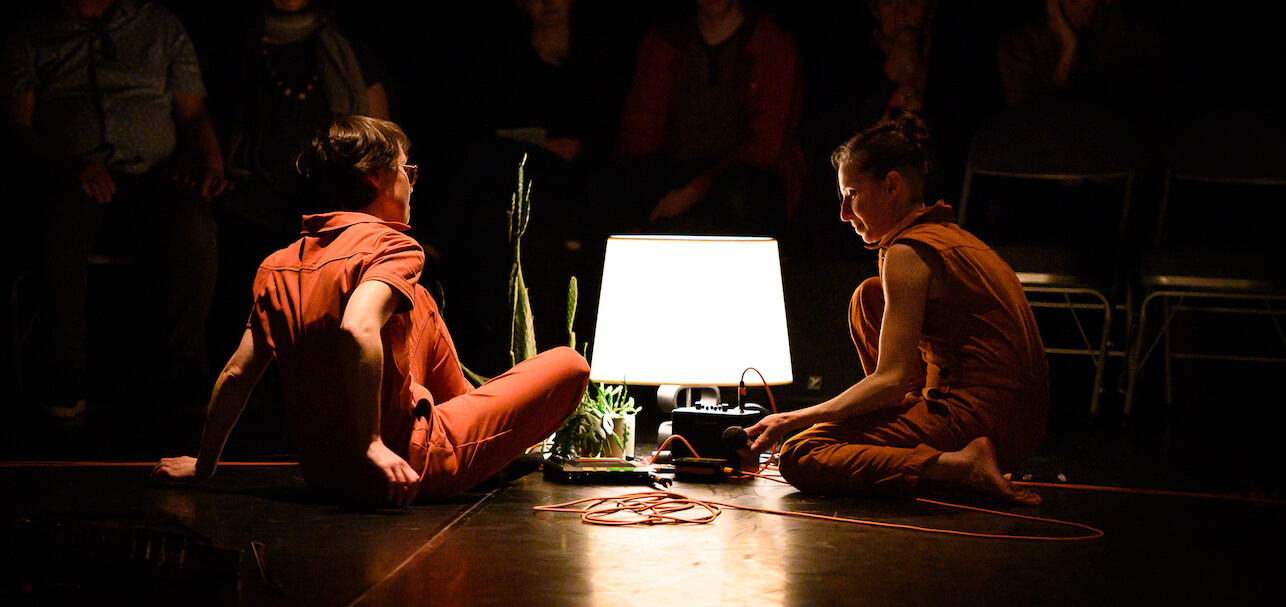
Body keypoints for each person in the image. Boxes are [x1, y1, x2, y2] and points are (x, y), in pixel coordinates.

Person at [152, 116, 590, 505]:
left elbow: (235, 374)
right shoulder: (392, 246)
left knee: (415, 302)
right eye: (406, 171)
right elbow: (357, 328)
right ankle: (480, 451)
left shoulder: (279, 264)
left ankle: (473, 433)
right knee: (570, 365)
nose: (411, 183)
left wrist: (204, 464)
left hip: (325, 477)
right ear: (377, 179)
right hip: (402, 467)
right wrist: (373, 443)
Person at [740, 113, 1048, 505]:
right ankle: (943, 452)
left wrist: (791, 418)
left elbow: (890, 380)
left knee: (803, 452)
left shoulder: (907, 252)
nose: (844, 213)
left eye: (851, 195)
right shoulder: (951, 238)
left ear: (891, 186)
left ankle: (962, 465)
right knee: (869, 298)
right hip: (1020, 423)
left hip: (980, 420)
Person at [1, 0, 226, 419]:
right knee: (59, 217)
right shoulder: (30, 32)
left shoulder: (160, 25)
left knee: (192, 222)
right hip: (71, 176)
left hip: (151, 178)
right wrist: (70, 167)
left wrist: (210, 163)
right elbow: (17, 126)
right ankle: (62, 373)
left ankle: (184, 372)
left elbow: (193, 113)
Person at [606, 0, 804, 237]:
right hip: (673, 166)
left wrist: (694, 191)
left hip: (743, 173)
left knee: (739, 195)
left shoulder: (771, 44)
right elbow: (639, 126)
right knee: (607, 191)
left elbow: (766, 144)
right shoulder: (664, 40)